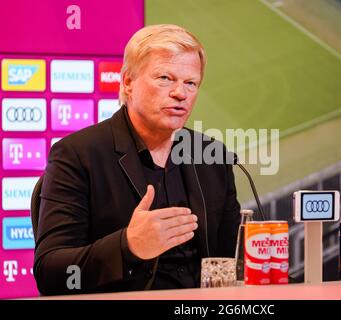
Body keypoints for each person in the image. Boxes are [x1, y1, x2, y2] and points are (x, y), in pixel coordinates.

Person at [33, 24, 241, 295]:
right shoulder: (77, 154)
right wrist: (128, 246)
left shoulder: (213, 156)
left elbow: (234, 261)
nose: (181, 93)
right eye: (165, 78)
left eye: (191, 83)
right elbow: (51, 274)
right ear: (128, 82)